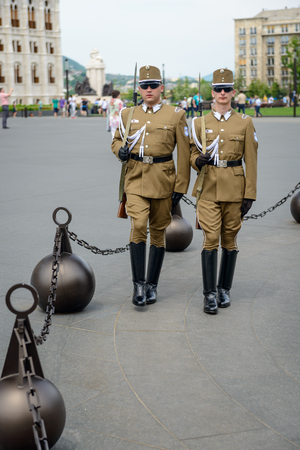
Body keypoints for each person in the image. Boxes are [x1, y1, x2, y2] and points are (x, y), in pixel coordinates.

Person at [111, 65, 190, 308]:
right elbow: (116, 140)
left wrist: (181, 186)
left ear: (161, 88)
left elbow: (184, 152)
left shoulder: (175, 114)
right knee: (138, 225)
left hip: (163, 178)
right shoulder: (127, 114)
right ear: (139, 88)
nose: (148, 89)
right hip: (134, 177)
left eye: (153, 85)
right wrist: (119, 151)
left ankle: (152, 285)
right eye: (144, 86)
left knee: (158, 232)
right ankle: (138, 285)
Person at [190, 68, 258, 315]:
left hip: (235, 188)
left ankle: (224, 289)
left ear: (233, 92)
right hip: (207, 187)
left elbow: (251, 159)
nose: (222, 93)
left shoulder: (245, 122)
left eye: (226, 89)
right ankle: (209, 294)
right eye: (218, 89)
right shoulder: (199, 122)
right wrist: (197, 161)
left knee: (229, 239)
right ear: (212, 92)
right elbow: (191, 152)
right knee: (210, 238)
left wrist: (250, 193)